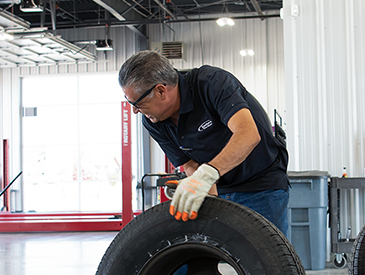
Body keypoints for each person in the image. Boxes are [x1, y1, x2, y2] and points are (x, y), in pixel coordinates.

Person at [118, 50, 290, 237]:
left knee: (268, 260)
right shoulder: (153, 122)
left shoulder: (211, 84)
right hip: (219, 186)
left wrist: (206, 175)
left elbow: (248, 134)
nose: (134, 111)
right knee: (185, 251)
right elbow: (188, 163)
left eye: (137, 103)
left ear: (161, 91)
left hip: (261, 185)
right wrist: (202, 189)